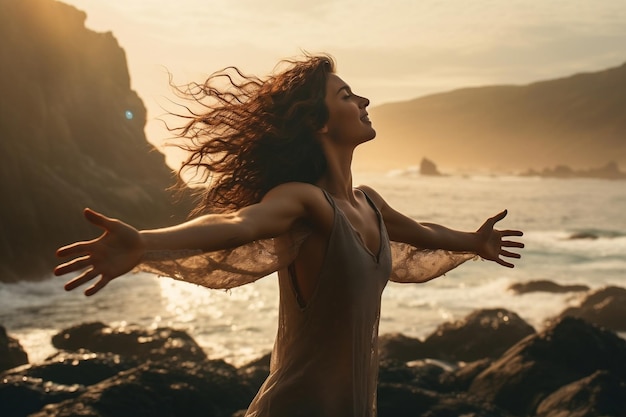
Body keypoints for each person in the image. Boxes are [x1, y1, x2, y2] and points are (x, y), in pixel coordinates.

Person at [54, 54, 523, 417]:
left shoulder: (369, 203)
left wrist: (474, 243)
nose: (363, 102)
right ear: (319, 123)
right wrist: (146, 242)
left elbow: (421, 233)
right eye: (346, 96)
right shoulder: (304, 200)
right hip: (300, 406)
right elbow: (240, 223)